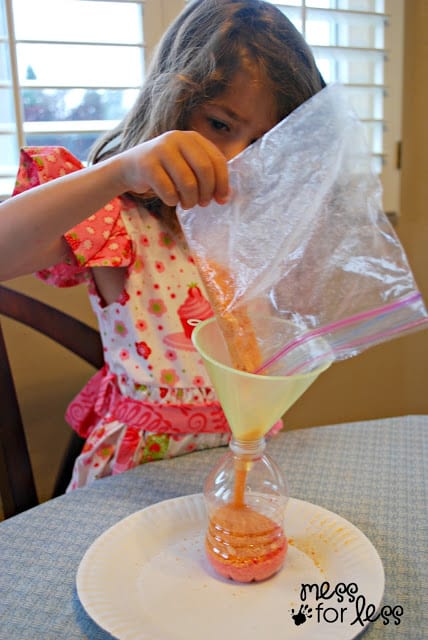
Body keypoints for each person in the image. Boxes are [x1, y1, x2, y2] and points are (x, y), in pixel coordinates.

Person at [0, 0, 325, 489]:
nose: (236, 160)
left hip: (243, 462)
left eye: (264, 142)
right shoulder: (120, 218)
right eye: (219, 125)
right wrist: (120, 171)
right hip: (137, 476)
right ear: (173, 106)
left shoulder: (262, 232)